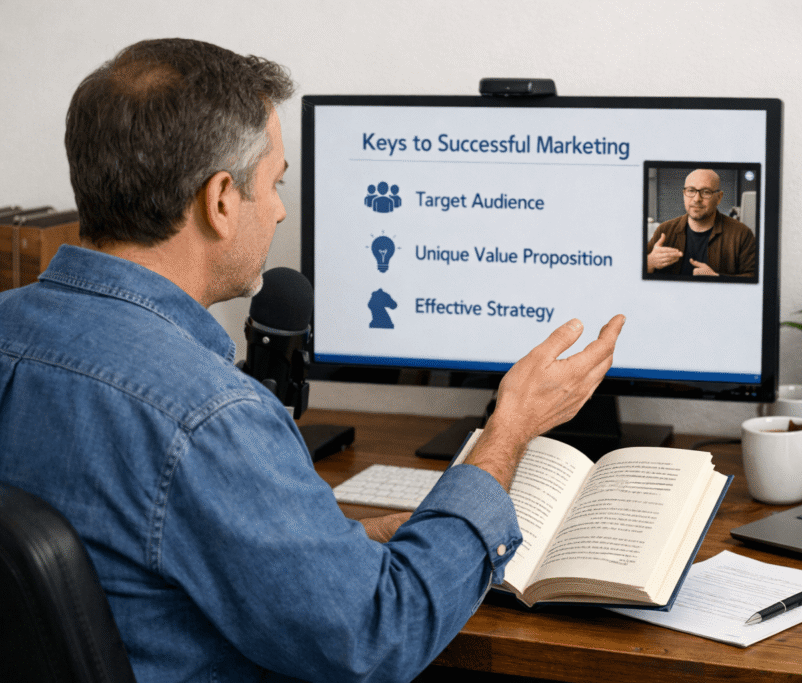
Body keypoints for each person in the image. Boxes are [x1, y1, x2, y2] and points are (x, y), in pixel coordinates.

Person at [0, 39, 625, 683]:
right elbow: (380, 637)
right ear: (220, 200)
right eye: (274, 184)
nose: (278, 210)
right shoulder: (210, 419)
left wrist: (339, 549)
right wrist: (508, 431)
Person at [645, 169, 756, 278]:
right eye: (691, 191)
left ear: (719, 197)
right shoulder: (664, 230)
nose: (697, 199)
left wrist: (718, 278)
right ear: (684, 194)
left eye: (706, 192)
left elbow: (754, 277)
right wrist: (650, 262)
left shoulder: (742, 234)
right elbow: (634, 272)